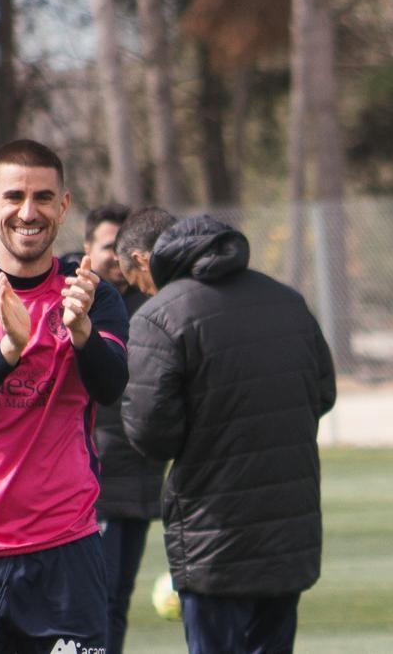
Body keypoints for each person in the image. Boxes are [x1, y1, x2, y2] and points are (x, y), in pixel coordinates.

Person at [118, 212, 336, 654]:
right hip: (287, 525)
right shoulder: (287, 301)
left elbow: (151, 433)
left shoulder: (158, 317)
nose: (142, 291)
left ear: (149, 261)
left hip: (212, 530)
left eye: (137, 281)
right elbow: (323, 393)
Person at [0, 139, 128, 653]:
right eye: (14, 196)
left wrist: (82, 334)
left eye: (43, 197)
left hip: (66, 553)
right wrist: (10, 348)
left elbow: (111, 387)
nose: (28, 212)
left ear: (64, 205)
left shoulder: (92, 295)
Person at [82, 203, 165, 654]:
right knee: (96, 601)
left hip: (142, 474)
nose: (115, 257)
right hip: (99, 479)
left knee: (118, 599)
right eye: (106, 246)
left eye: (122, 248)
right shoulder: (76, 302)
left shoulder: (150, 302)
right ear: (87, 247)